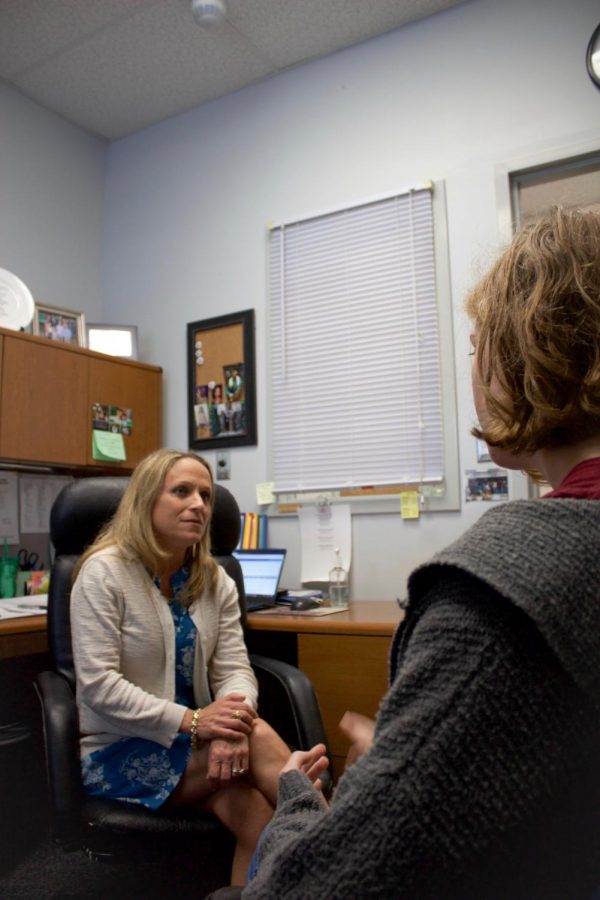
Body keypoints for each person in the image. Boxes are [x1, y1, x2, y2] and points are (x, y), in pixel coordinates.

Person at [234, 207, 600, 899]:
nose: (471, 366)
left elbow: (319, 888)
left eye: (474, 344)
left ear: (532, 349)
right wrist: (421, 777)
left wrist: (295, 793)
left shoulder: (506, 598)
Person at [70, 448, 307, 886]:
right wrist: (200, 723)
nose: (198, 504)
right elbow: (99, 686)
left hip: (199, 744)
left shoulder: (214, 580)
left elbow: (235, 668)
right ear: (145, 501)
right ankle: (352, 846)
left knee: (259, 819)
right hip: (121, 749)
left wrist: (226, 725)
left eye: (205, 494)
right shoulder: (103, 574)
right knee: (260, 744)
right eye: (181, 491)